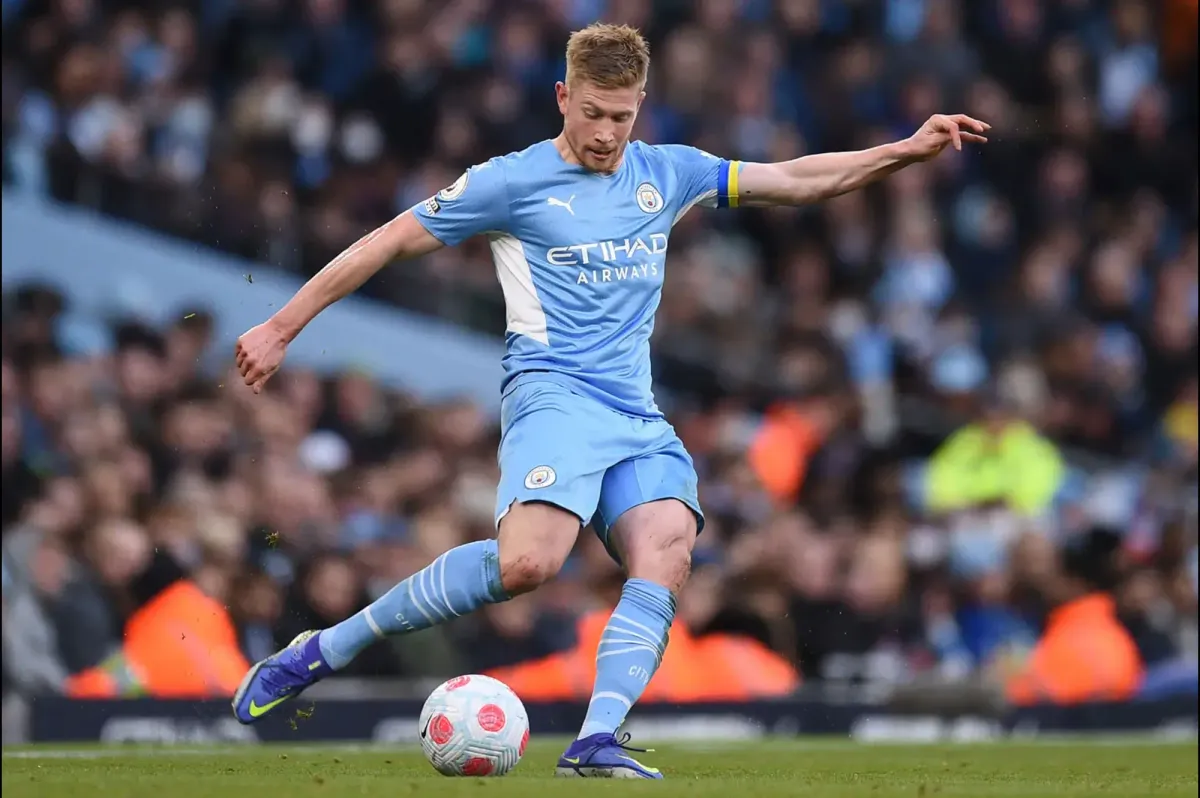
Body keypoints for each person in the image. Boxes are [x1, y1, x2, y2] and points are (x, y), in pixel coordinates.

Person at [230, 24, 988, 778]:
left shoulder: (668, 172)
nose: (605, 133)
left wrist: (900, 151)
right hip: (552, 397)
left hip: (634, 414)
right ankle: (326, 648)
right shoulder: (510, 182)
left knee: (668, 547)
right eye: (592, 112)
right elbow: (390, 239)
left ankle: (595, 740)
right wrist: (281, 326)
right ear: (563, 98)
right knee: (528, 565)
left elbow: (790, 180)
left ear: (641, 108)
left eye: (621, 117)